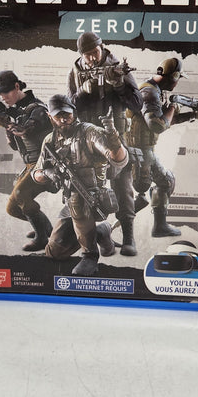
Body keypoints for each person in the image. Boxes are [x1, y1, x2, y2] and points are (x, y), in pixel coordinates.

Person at [32, 94, 127, 276]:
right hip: (71, 201)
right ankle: (100, 232)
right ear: (50, 117)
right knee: (53, 252)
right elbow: (36, 175)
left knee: (77, 201)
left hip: (94, 197)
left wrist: (112, 134)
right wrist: (48, 173)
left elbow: (119, 159)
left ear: (74, 113)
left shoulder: (89, 133)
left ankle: (90, 255)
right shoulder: (50, 141)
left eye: (66, 114)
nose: (63, 119)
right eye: (58, 116)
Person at [66, 32, 142, 256]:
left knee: (123, 187)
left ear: (103, 47)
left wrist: (119, 86)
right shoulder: (75, 72)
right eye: (87, 55)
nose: (92, 58)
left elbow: (137, 104)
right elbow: (69, 107)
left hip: (114, 134)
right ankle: (93, 239)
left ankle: (128, 237)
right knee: (83, 190)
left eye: (95, 52)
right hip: (86, 140)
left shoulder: (115, 67)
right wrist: (83, 91)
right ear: (81, 55)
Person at [125, 57, 198, 237]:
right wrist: (172, 106)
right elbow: (157, 125)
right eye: (178, 78)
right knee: (163, 182)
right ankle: (157, 227)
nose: (178, 83)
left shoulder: (153, 89)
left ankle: (155, 225)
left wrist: (194, 115)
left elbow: (165, 121)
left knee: (155, 185)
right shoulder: (150, 93)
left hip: (140, 148)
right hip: (140, 151)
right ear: (174, 76)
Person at [0, 70, 52, 251]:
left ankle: (42, 239)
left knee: (21, 195)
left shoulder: (37, 109)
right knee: (12, 209)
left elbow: (26, 128)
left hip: (46, 165)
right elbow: (13, 135)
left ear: (16, 86)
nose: (3, 97)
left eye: (5, 92)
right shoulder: (17, 110)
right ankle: (47, 229)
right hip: (30, 165)